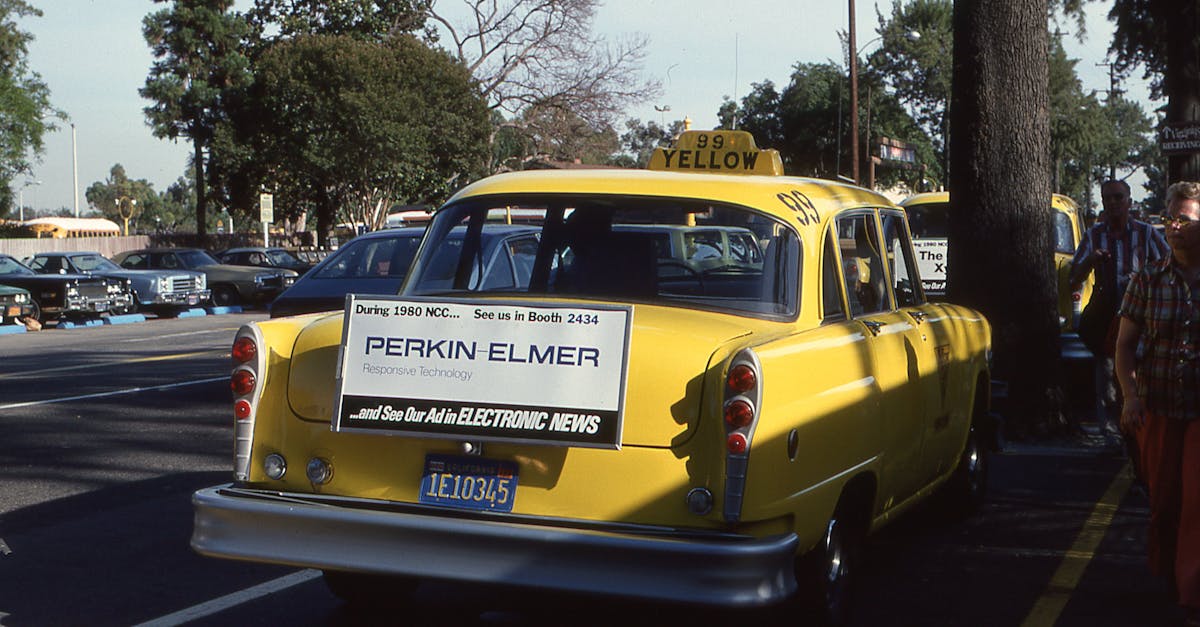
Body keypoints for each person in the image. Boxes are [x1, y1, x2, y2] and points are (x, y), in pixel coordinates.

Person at [1115, 180, 1200, 622]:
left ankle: (1192, 594)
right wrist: (1130, 396)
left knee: (1197, 504)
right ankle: (1170, 575)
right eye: (1171, 217)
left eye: (1185, 218)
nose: (1174, 226)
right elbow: (1125, 345)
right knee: (1165, 503)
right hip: (1160, 407)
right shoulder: (1147, 279)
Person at [1070, 179, 1169, 448]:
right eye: (1107, 198)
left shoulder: (1147, 234)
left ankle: (1141, 435)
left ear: (1129, 201)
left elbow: (1170, 267)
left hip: (1142, 319)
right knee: (1106, 377)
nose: (1112, 203)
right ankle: (1112, 438)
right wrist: (1091, 261)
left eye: (1117, 197)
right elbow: (1073, 277)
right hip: (1107, 319)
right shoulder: (1094, 235)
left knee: (1140, 376)